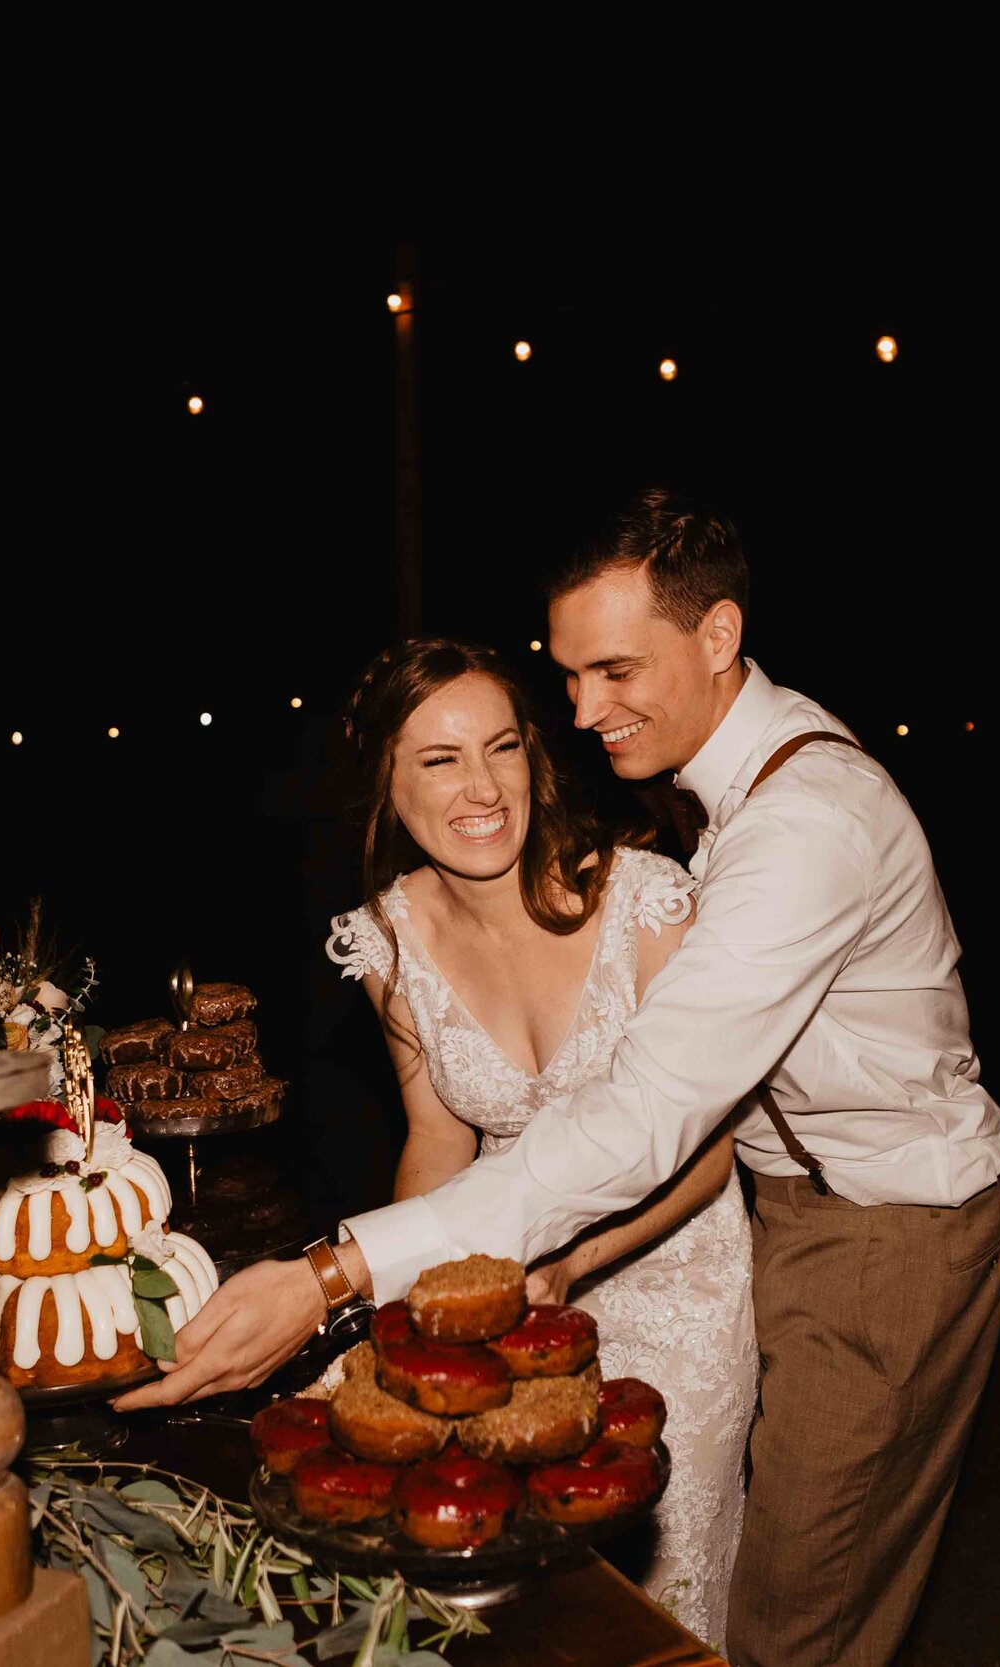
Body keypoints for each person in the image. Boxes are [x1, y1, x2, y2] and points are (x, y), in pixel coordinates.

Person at [123, 489, 1000, 1667]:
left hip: (884, 1233)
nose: (583, 710)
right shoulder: (736, 794)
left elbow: (652, 1116)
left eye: (613, 670)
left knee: (795, 1622)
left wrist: (335, 1269)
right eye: (571, 676)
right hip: (801, 1218)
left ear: (717, 636)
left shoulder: (800, 829)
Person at [316, 637, 754, 1643]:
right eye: (439, 758)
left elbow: (714, 1144)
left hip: (675, 1280)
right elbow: (437, 1137)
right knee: (516, 1601)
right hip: (509, 1301)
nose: (482, 786)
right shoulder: (387, 938)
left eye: (502, 747)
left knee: (661, 1597)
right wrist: (400, 1308)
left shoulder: (642, 899)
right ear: (385, 777)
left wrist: (578, 1257)